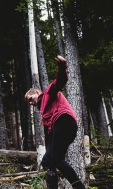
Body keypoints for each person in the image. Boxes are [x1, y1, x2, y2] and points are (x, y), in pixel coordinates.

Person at [24, 55, 85, 189]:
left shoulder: (47, 93)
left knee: (56, 158)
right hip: (61, 128)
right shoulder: (44, 113)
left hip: (64, 121)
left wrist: (62, 67)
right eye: (28, 102)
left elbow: (60, 81)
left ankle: (79, 187)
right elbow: (49, 138)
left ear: (37, 92)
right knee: (48, 160)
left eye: (30, 98)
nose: (30, 102)